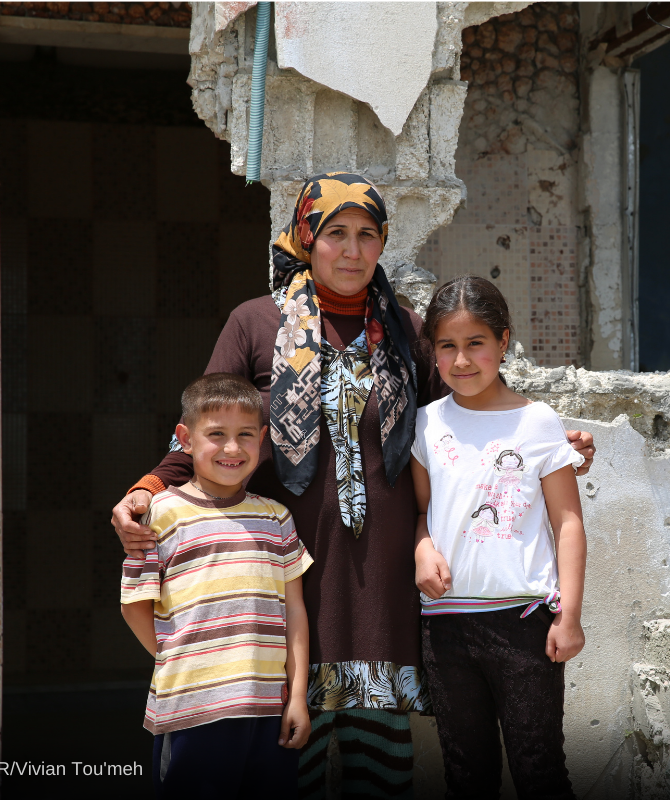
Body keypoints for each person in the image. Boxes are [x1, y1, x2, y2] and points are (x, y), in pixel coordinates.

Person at [109, 172, 596, 797]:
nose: (352, 249)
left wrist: (556, 448)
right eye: (336, 233)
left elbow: (462, 415)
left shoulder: (405, 330)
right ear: (307, 237)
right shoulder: (256, 324)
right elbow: (209, 425)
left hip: (382, 584)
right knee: (293, 765)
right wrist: (149, 486)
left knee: (382, 769)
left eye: (368, 235)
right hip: (291, 574)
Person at [412, 276, 586, 799]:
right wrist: (422, 549)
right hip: (445, 628)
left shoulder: (537, 422)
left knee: (540, 769)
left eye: (476, 344)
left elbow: (568, 523)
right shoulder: (425, 424)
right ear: (433, 351)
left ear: (504, 342)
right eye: (448, 346)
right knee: (467, 773)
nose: (462, 360)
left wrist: (570, 616)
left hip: (526, 624)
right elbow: (422, 513)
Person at [120, 373, 311, 797]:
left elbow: (294, 610)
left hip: (268, 710)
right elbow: (134, 605)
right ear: (185, 439)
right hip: (192, 707)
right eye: (216, 434)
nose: (231, 448)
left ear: (262, 439)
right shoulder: (160, 516)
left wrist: (296, 696)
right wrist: (184, 659)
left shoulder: (276, 517)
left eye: (245, 434)